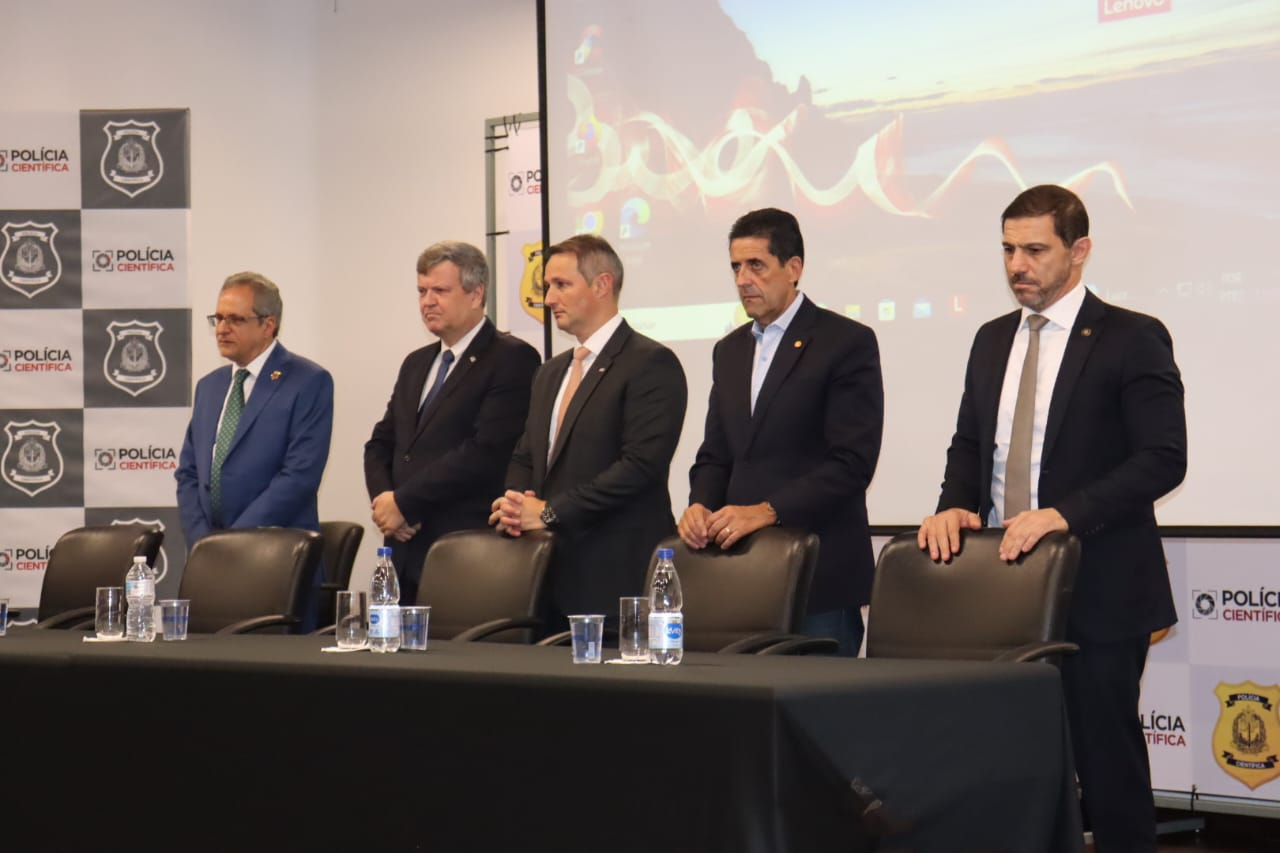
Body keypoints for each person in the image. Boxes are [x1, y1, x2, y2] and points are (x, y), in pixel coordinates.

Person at [917, 185, 1186, 852]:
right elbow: (971, 446)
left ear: (1079, 249)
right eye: (1008, 250)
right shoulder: (990, 340)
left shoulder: (1131, 337)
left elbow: (1163, 458)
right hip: (1001, 588)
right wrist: (953, 504)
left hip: (1100, 584)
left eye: (1035, 250)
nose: (1018, 265)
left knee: (1106, 764)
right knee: (1010, 765)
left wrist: (1063, 515)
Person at [677, 208, 884, 656]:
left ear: (793, 268)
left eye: (756, 265)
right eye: (736, 267)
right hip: (741, 574)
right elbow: (716, 454)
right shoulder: (729, 350)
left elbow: (852, 463)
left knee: (820, 700)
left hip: (819, 577)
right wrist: (699, 504)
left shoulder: (845, 341)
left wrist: (768, 510)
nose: (743, 279)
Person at [490, 234, 687, 634]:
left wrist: (548, 512)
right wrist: (514, 505)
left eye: (561, 285)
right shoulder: (550, 372)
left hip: (615, 577)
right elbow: (526, 455)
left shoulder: (651, 363)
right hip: (544, 578)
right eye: (548, 286)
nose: (549, 298)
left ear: (602, 285)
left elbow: (639, 468)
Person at [363, 241, 539, 605]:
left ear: (476, 294)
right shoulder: (416, 363)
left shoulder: (512, 358)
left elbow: (485, 452)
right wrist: (386, 502)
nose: (427, 301)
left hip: (465, 551)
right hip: (404, 549)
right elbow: (381, 443)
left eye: (440, 291)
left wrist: (405, 503)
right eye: (421, 291)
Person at [177, 271, 334, 545]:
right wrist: (203, 542)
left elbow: (299, 477)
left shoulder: (308, 381)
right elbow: (189, 473)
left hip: (276, 553)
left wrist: (232, 542)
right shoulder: (209, 387)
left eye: (235, 319)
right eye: (218, 318)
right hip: (210, 553)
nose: (222, 329)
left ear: (267, 325)